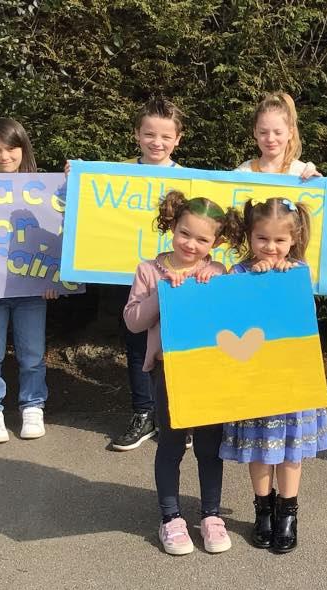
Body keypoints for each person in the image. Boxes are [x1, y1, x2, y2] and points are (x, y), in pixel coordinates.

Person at [220, 197, 327, 554]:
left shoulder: (298, 273)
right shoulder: (237, 274)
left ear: (293, 240)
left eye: (279, 241)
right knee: (259, 449)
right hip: (253, 381)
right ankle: (262, 508)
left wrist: (286, 279)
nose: (270, 247)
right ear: (250, 237)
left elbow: (304, 322)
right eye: (262, 239)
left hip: (291, 380)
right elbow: (229, 318)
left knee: (289, 450)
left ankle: (288, 512)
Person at [123, 191, 231, 555]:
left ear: (215, 242)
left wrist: (212, 285)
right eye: (185, 233)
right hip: (168, 373)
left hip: (209, 373)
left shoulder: (216, 272)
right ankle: (171, 518)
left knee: (209, 446)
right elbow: (135, 322)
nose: (191, 244)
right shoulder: (149, 271)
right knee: (171, 444)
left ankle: (212, 515)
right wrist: (164, 292)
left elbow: (227, 321)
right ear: (172, 226)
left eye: (203, 239)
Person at [109, 97, 189, 452]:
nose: (157, 142)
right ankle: (143, 412)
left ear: (178, 139)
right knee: (136, 343)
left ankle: (175, 414)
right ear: (136, 135)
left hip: (175, 277)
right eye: (149, 134)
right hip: (132, 275)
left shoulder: (190, 180)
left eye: (165, 136)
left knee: (176, 345)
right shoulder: (115, 173)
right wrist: (74, 181)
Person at [0, 118, 56, 444]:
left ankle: (33, 405)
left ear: (24, 147)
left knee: (32, 353)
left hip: (32, 289)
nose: (4, 156)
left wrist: (55, 280)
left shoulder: (45, 188)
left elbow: (55, 237)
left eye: (11, 148)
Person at [235, 91, 321, 179]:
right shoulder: (243, 172)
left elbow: (324, 191)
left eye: (278, 133)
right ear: (255, 132)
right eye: (263, 132)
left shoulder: (302, 173)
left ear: (290, 133)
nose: (270, 139)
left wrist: (317, 182)